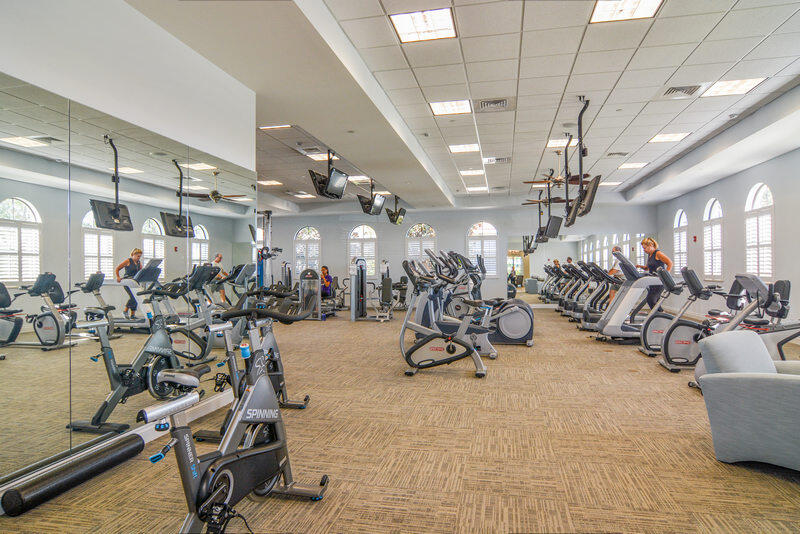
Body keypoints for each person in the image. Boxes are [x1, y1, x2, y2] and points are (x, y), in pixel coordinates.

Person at [635, 237, 673, 310]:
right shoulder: (650, 255)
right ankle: (660, 316)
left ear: (651, 245)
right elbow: (647, 268)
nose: (644, 250)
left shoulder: (658, 253)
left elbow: (670, 263)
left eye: (645, 248)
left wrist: (666, 275)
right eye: (643, 248)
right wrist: (639, 266)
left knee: (651, 300)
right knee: (655, 300)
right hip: (652, 280)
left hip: (659, 281)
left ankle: (659, 314)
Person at [115, 248, 143, 319]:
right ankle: (125, 311)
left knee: (136, 297)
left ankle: (132, 315)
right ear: (133, 255)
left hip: (134, 282)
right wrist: (118, 277)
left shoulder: (139, 263)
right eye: (138, 256)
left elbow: (141, 271)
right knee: (133, 297)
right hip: (127, 282)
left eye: (140, 256)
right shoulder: (128, 261)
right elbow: (117, 268)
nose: (139, 258)